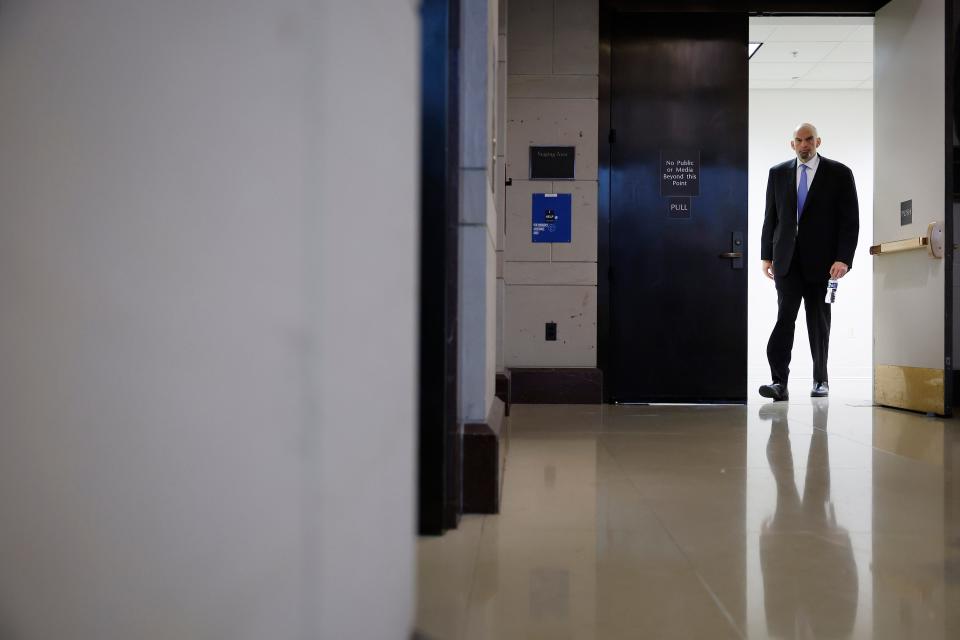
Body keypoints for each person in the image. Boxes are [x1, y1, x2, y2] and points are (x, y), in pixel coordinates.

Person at [759, 123, 859, 401]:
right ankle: (779, 382)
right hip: (786, 262)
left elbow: (849, 222)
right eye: (799, 140)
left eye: (809, 140)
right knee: (784, 320)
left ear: (818, 141)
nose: (805, 145)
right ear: (792, 144)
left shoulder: (839, 174)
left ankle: (820, 380)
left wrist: (843, 259)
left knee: (818, 323)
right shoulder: (777, 174)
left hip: (823, 263)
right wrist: (766, 255)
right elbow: (771, 217)